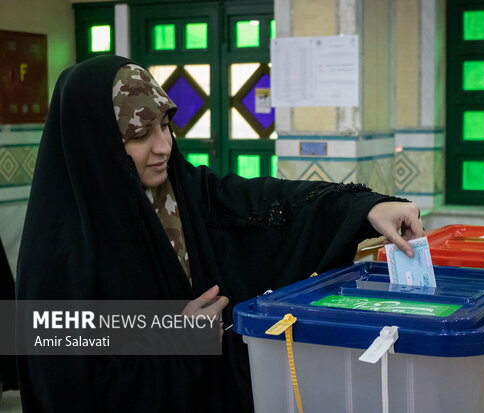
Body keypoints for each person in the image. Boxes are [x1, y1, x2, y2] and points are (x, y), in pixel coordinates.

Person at [16, 55, 424, 412]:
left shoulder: (180, 191)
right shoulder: (61, 246)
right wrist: (169, 335)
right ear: (96, 144)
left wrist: (363, 207)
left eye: (165, 125)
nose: (163, 147)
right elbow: (61, 375)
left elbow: (259, 203)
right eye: (139, 136)